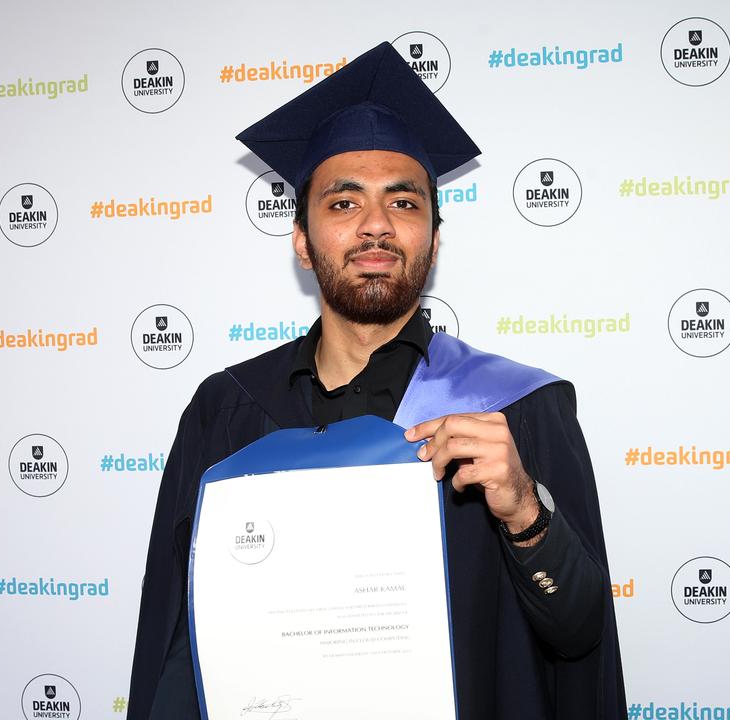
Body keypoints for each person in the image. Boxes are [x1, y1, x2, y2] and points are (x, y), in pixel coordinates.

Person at [127, 42, 626, 720]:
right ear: (303, 242)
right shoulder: (228, 412)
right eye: (342, 204)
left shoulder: (517, 410)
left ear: (433, 238)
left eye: (404, 202)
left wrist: (527, 517)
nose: (376, 225)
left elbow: (580, 641)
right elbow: (178, 645)